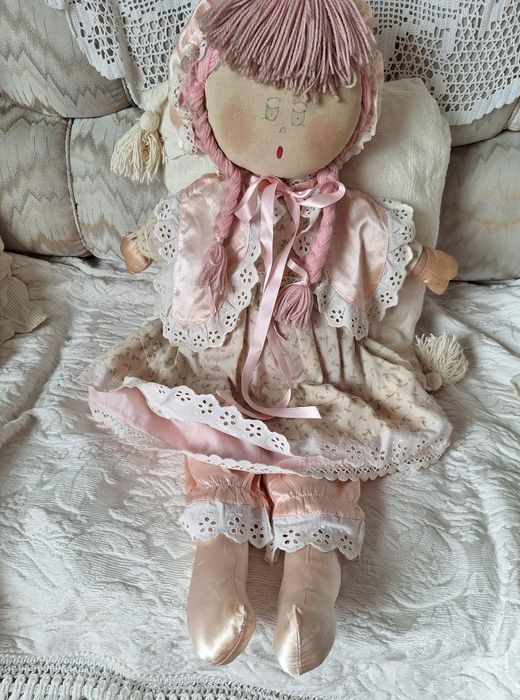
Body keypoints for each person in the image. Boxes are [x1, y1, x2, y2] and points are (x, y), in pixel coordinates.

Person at [86, 0, 457, 676]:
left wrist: (427, 264)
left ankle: (311, 575)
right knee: (212, 448)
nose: (282, 122)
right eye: (262, 100)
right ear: (205, 95)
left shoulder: (345, 213)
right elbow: (163, 235)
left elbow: (397, 249)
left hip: (314, 371)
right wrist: (137, 248)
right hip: (218, 365)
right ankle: (218, 561)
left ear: (359, 115)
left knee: (318, 459)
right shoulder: (210, 201)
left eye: (307, 104)